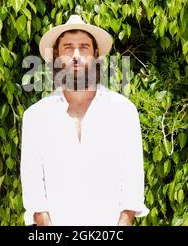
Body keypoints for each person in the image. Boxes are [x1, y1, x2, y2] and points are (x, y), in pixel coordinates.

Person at [20, 14, 149, 226]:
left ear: (96, 54)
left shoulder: (123, 112)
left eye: (84, 47)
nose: (76, 55)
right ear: (56, 55)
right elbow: (35, 195)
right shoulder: (35, 117)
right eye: (68, 48)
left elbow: (132, 188)